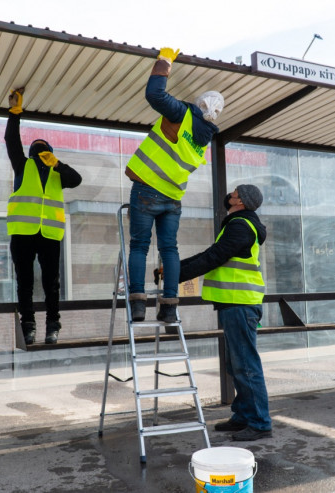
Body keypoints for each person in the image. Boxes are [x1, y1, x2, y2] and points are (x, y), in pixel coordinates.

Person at [125, 47, 224, 325]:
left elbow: (154, 95)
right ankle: (169, 308)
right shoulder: (204, 139)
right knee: (169, 250)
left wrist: (165, 61)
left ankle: (138, 305)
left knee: (139, 246)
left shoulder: (183, 114)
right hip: (172, 199)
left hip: (147, 189)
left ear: (199, 104)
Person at [179, 185, 272, 441]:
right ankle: (243, 415)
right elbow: (212, 255)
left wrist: (177, 273)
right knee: (237, 364)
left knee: (246, 366)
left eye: (233, 193)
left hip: (239, 303)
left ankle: (260, 423)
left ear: (240, 201)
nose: (228, 195)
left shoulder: (240, 226)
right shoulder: (239, 224)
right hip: (235, 303)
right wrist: (177, 268)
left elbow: (214, 257)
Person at [6, 88, 82, 345]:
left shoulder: (58, 172)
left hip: (49, 234)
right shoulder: (22, 165)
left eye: (44, 150)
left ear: (50, 153)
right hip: (23, 234)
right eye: (37, 149)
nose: (40, 153)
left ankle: (52, 325)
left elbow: (77, 179)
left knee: (52, 283)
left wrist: (57, 164)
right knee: (25, 282)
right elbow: (11, 140)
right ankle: (28, 325)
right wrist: (15, 113)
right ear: (30, 153)